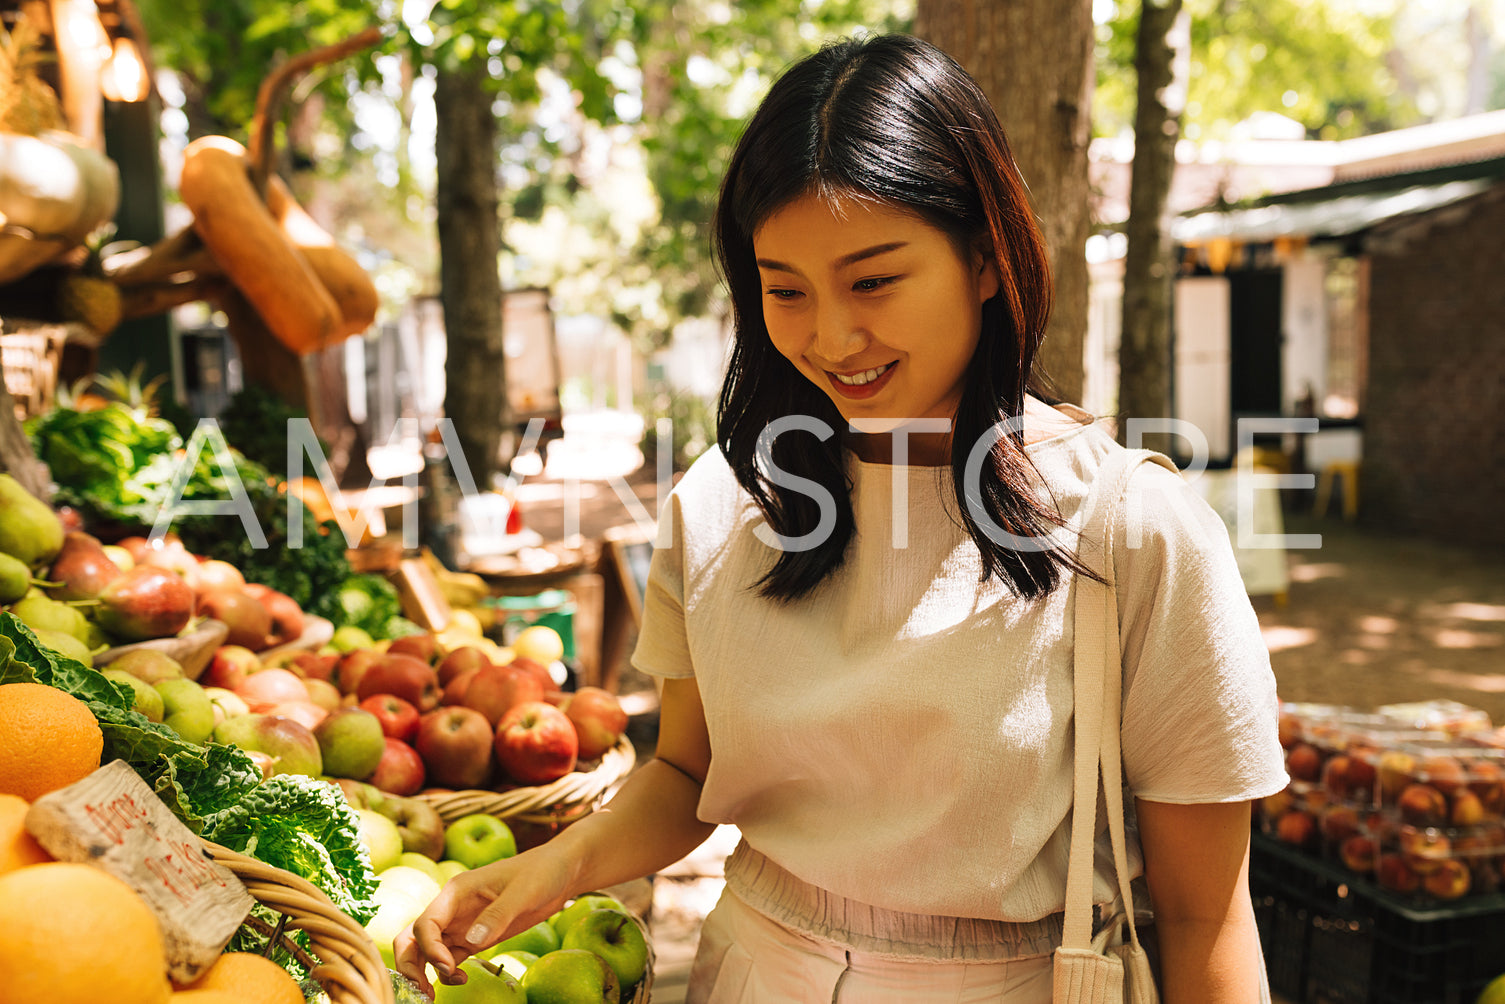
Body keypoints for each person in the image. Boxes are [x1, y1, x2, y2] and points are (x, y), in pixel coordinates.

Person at [397, 33, 1287, 1002]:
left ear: (986, 260)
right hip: (750, 973)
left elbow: (1205, 912)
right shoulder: (720, 502)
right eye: (784, 290)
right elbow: (686, 772)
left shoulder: (1132, 526)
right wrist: (550, 867)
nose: (830, 336)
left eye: (872, 280)